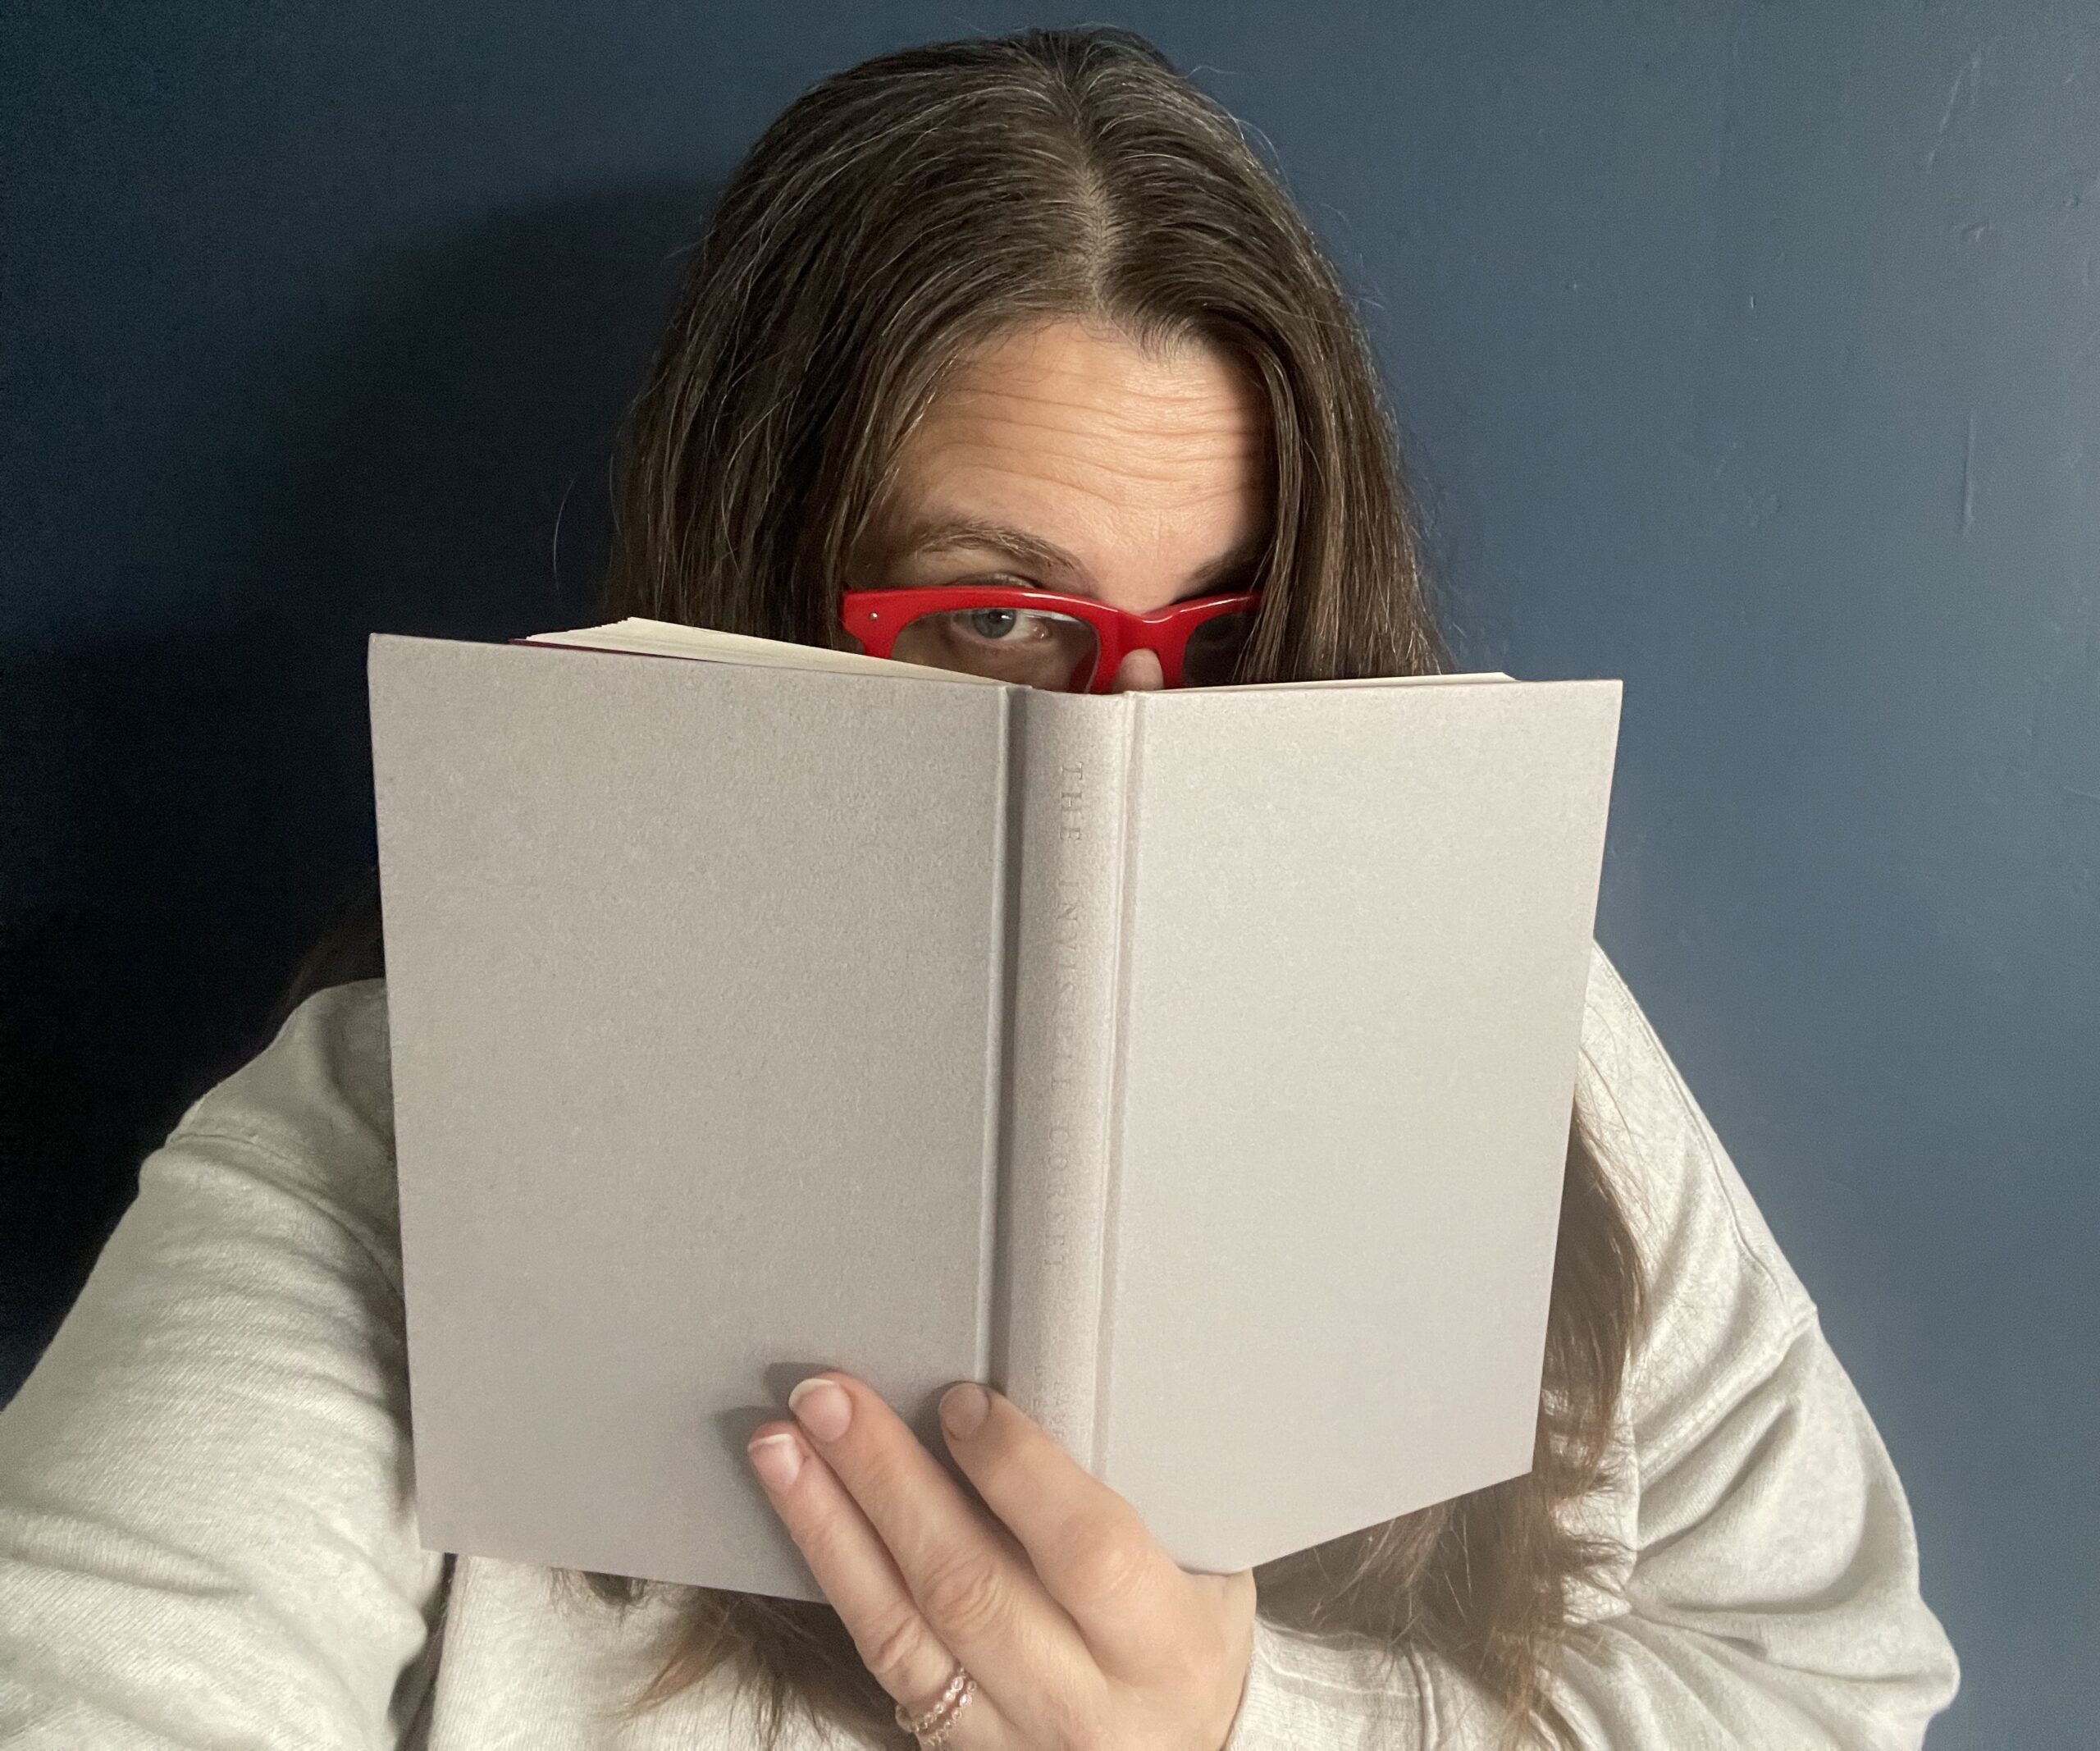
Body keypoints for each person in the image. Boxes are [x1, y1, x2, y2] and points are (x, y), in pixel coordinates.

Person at [0, 25, 1959, 1751]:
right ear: (763, 596)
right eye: (1001, 616)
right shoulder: (386, 1146)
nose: (1132, 743)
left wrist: (1249, 1722)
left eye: (1224, 629)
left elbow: (1829, 1683)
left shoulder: (1529, 1023)